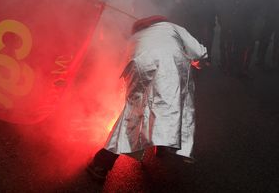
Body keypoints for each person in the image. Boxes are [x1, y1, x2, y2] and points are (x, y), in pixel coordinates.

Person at [87, 15, 207, 181]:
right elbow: (199, 53)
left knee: (134, 114)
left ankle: (101, 165)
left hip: (141, 68)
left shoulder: (135, 38)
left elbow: (125, 67)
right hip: (172, 68)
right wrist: (200, 63)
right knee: (170, 108)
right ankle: (162, 145)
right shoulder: (171, 27)